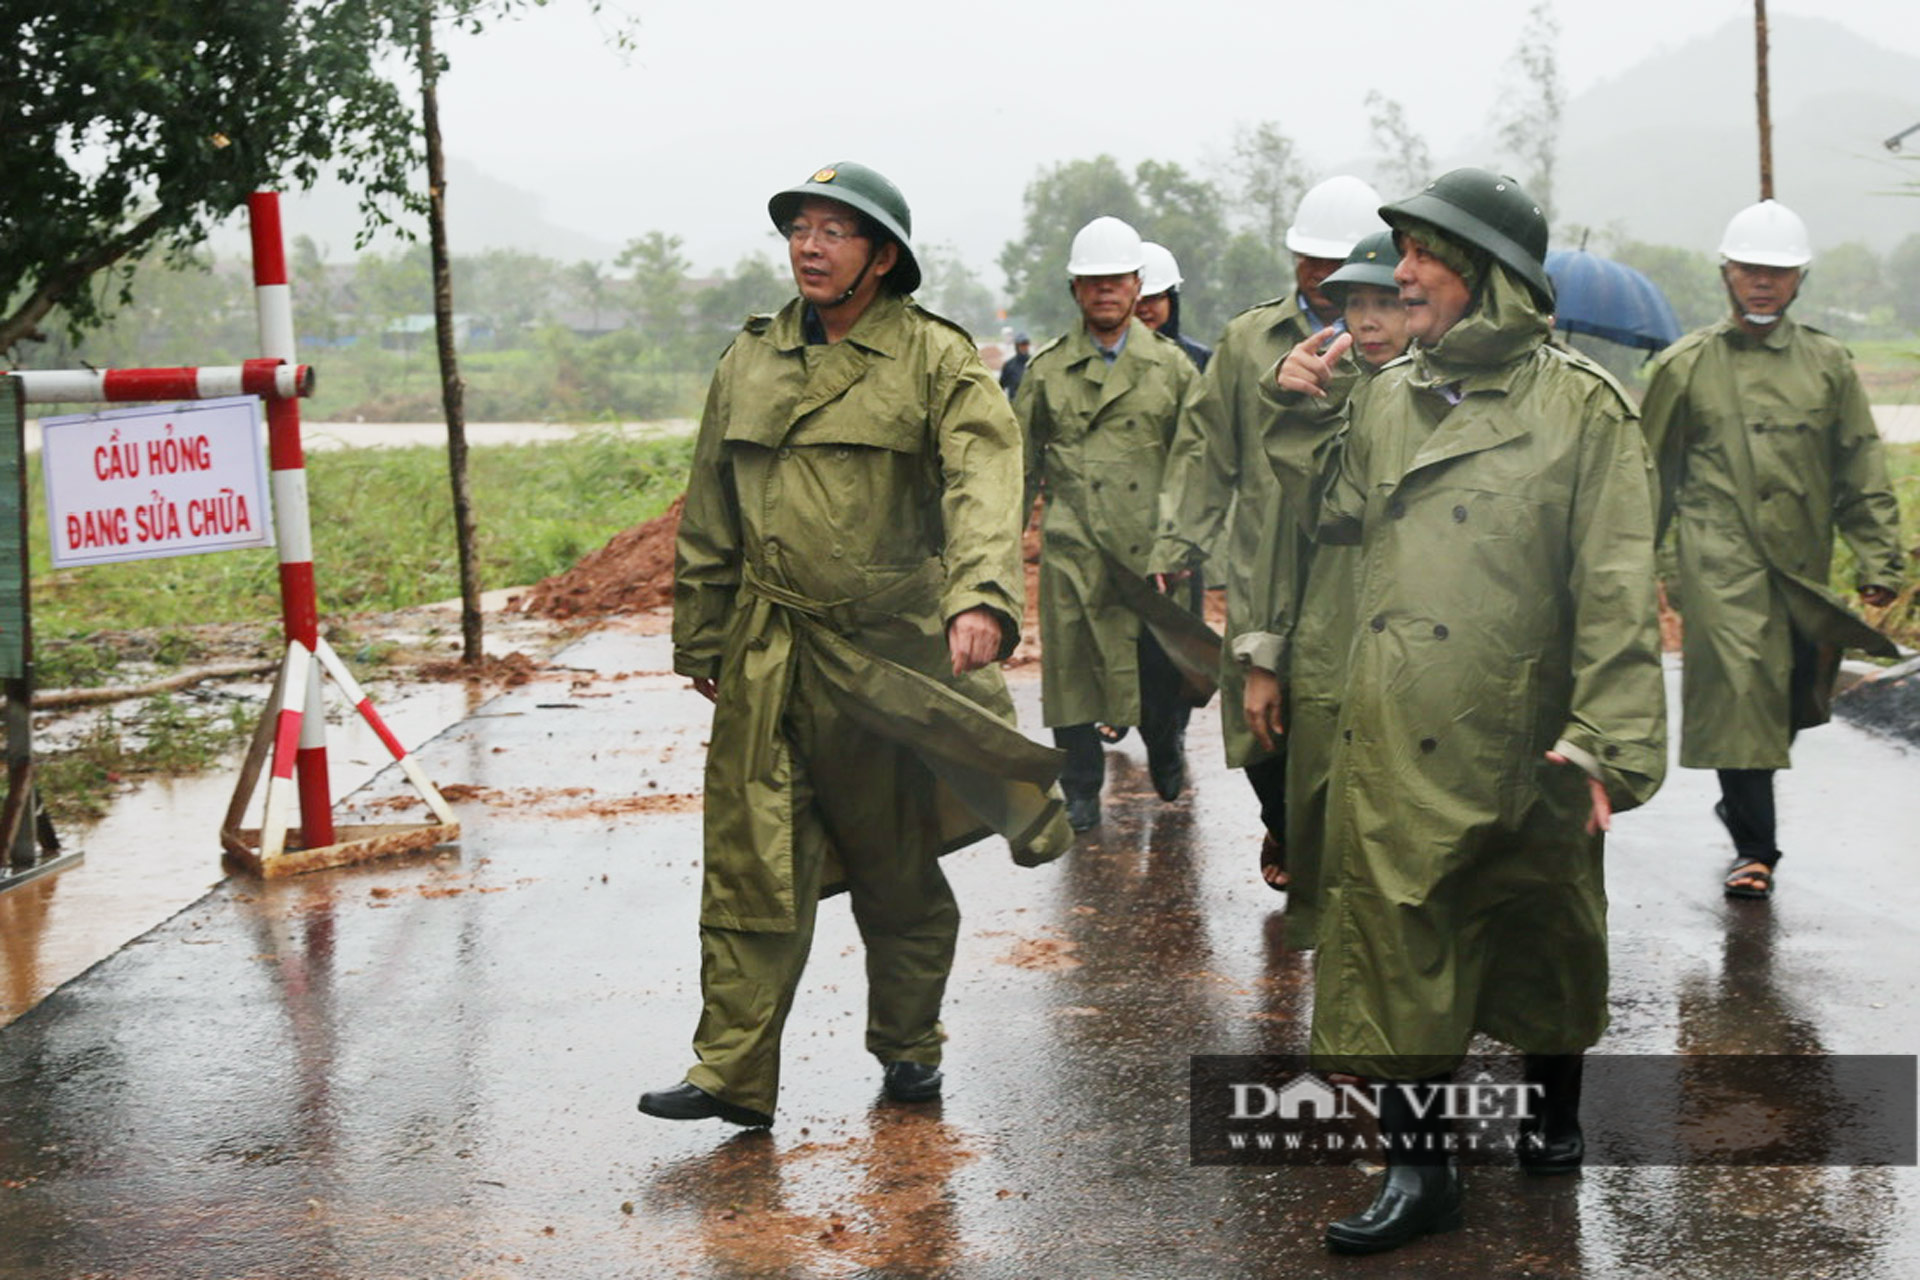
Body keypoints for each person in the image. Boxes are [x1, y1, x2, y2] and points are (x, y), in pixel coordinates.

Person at [1287, 169, 1668, 1253]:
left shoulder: (1581, 408)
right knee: (1398, 936)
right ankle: (1424, 1171)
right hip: (1399, 718)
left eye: (1420, 254)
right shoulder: (1387, 394)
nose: (1396, 273)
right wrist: (1301, 416)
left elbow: (1617, 586)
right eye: (1398, 251)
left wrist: (1607, 742)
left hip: (1526, 727)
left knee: (1544, 931)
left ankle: (1553, 1113)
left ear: (1487, 273)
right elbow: (1338, 526)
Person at [645, 161, 1069, 1130]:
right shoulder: (748, 360)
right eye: (800, 227)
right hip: (766, 651)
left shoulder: (933, 359)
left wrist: (982, 598)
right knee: (750, 856)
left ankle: (910, 1045)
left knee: (893, 866)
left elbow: (983, 478)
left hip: (884, 657)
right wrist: (702, 634)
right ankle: (730, 1069)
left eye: (836, 230)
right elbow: (711, 507)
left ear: (882, 257)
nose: (809, 245)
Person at [1639, 199, 1905, 901]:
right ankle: (1756, 849)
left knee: (1787, 696)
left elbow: (1858, 464)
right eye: (1750, 269)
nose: (1763, 283)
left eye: (1778, 273)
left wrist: (1880, 559)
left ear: (1799, 280)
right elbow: (1648, 475)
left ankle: (1741, 800)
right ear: (1726, 273)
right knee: (1741, 692)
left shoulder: (1827, 364)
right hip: (1718, 561)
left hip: (1800, 568)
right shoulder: (1685, 366)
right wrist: (1633, 566)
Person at [1148, 175, 1382, 891]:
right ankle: (1282, 819)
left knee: (1348, 712)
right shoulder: (1251, 338)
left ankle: (1331, 859)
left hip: (1355, 556)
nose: (1320, 275)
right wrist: (1175, 539)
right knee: (1260, 716)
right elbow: (1206, 445)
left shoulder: (1390, 339)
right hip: (1264, 550)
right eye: (1308, 258)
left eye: (1335, 262)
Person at [1252, 228, 1410, 946]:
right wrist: (1264, 655)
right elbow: (1284, 540)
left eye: (1389, 301)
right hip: (1330, 643)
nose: (1370, 321)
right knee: (1325, 824)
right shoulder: (1323, 398)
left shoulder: (1456, 402)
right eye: (1355, 305)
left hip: (1417, 657)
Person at [1016, 215, 1199, 832]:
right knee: (1071, 674)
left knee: (1157, 668)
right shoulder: (1044, 371)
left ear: (1137, 284)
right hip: (1074, 546)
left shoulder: (1171, 368)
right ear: (1074, 289)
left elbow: (1191, 460)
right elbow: (1019, 466)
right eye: (1091, 281)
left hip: (1150, 550)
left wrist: (1177, 541)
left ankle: (1166, 743)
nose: (1104, 291)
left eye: (1116, 280)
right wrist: (997, 554)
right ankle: (1082, 787)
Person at [1136, 242, 1212, 370]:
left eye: (1153, 298)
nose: (1143, 309)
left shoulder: (1200, 359)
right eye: (1137, 300)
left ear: (1172, 301)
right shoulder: (1106, 358)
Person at [1000, 332, 1032, 396]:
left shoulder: (1034, 363)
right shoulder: (1009, 365)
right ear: (1017, 346)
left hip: (1031, 404)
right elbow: (1000, 388)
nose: (1024, 347)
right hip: (1014, 403)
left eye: (1026, 344)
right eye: (1022, 345)